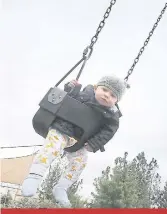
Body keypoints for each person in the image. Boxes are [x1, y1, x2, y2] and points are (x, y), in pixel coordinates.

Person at [21, 75, 129, 207]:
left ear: (116, 101)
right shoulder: (84, 94)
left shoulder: (110, 117)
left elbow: (108, 132)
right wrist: (71, 87)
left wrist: (94, 143)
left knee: (80, 162)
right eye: (105, 90)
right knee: (52, 148)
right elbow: (67, 97)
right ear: (95, 88)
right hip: (61, 130)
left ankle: (61, 188)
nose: (107, 95)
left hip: (79, 141)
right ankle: (34, 176)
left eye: (113, 95)